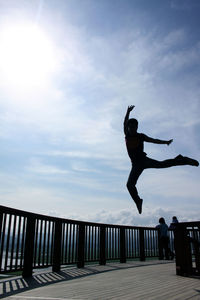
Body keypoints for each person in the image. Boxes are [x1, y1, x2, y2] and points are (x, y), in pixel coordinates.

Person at [124, 105, 199, 214]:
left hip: (143, 161)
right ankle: (138, 201)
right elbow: (125, 122)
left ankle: (183, 160)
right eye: (130, 128)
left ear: (137, 127)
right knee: (129, 185)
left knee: (163, 164)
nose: (132, 130)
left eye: (134, 128)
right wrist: (127, 112)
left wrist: (165, 142)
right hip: (135, 165)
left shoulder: (141, 136)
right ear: (128, 128)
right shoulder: (127, 135)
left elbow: (154, 140)